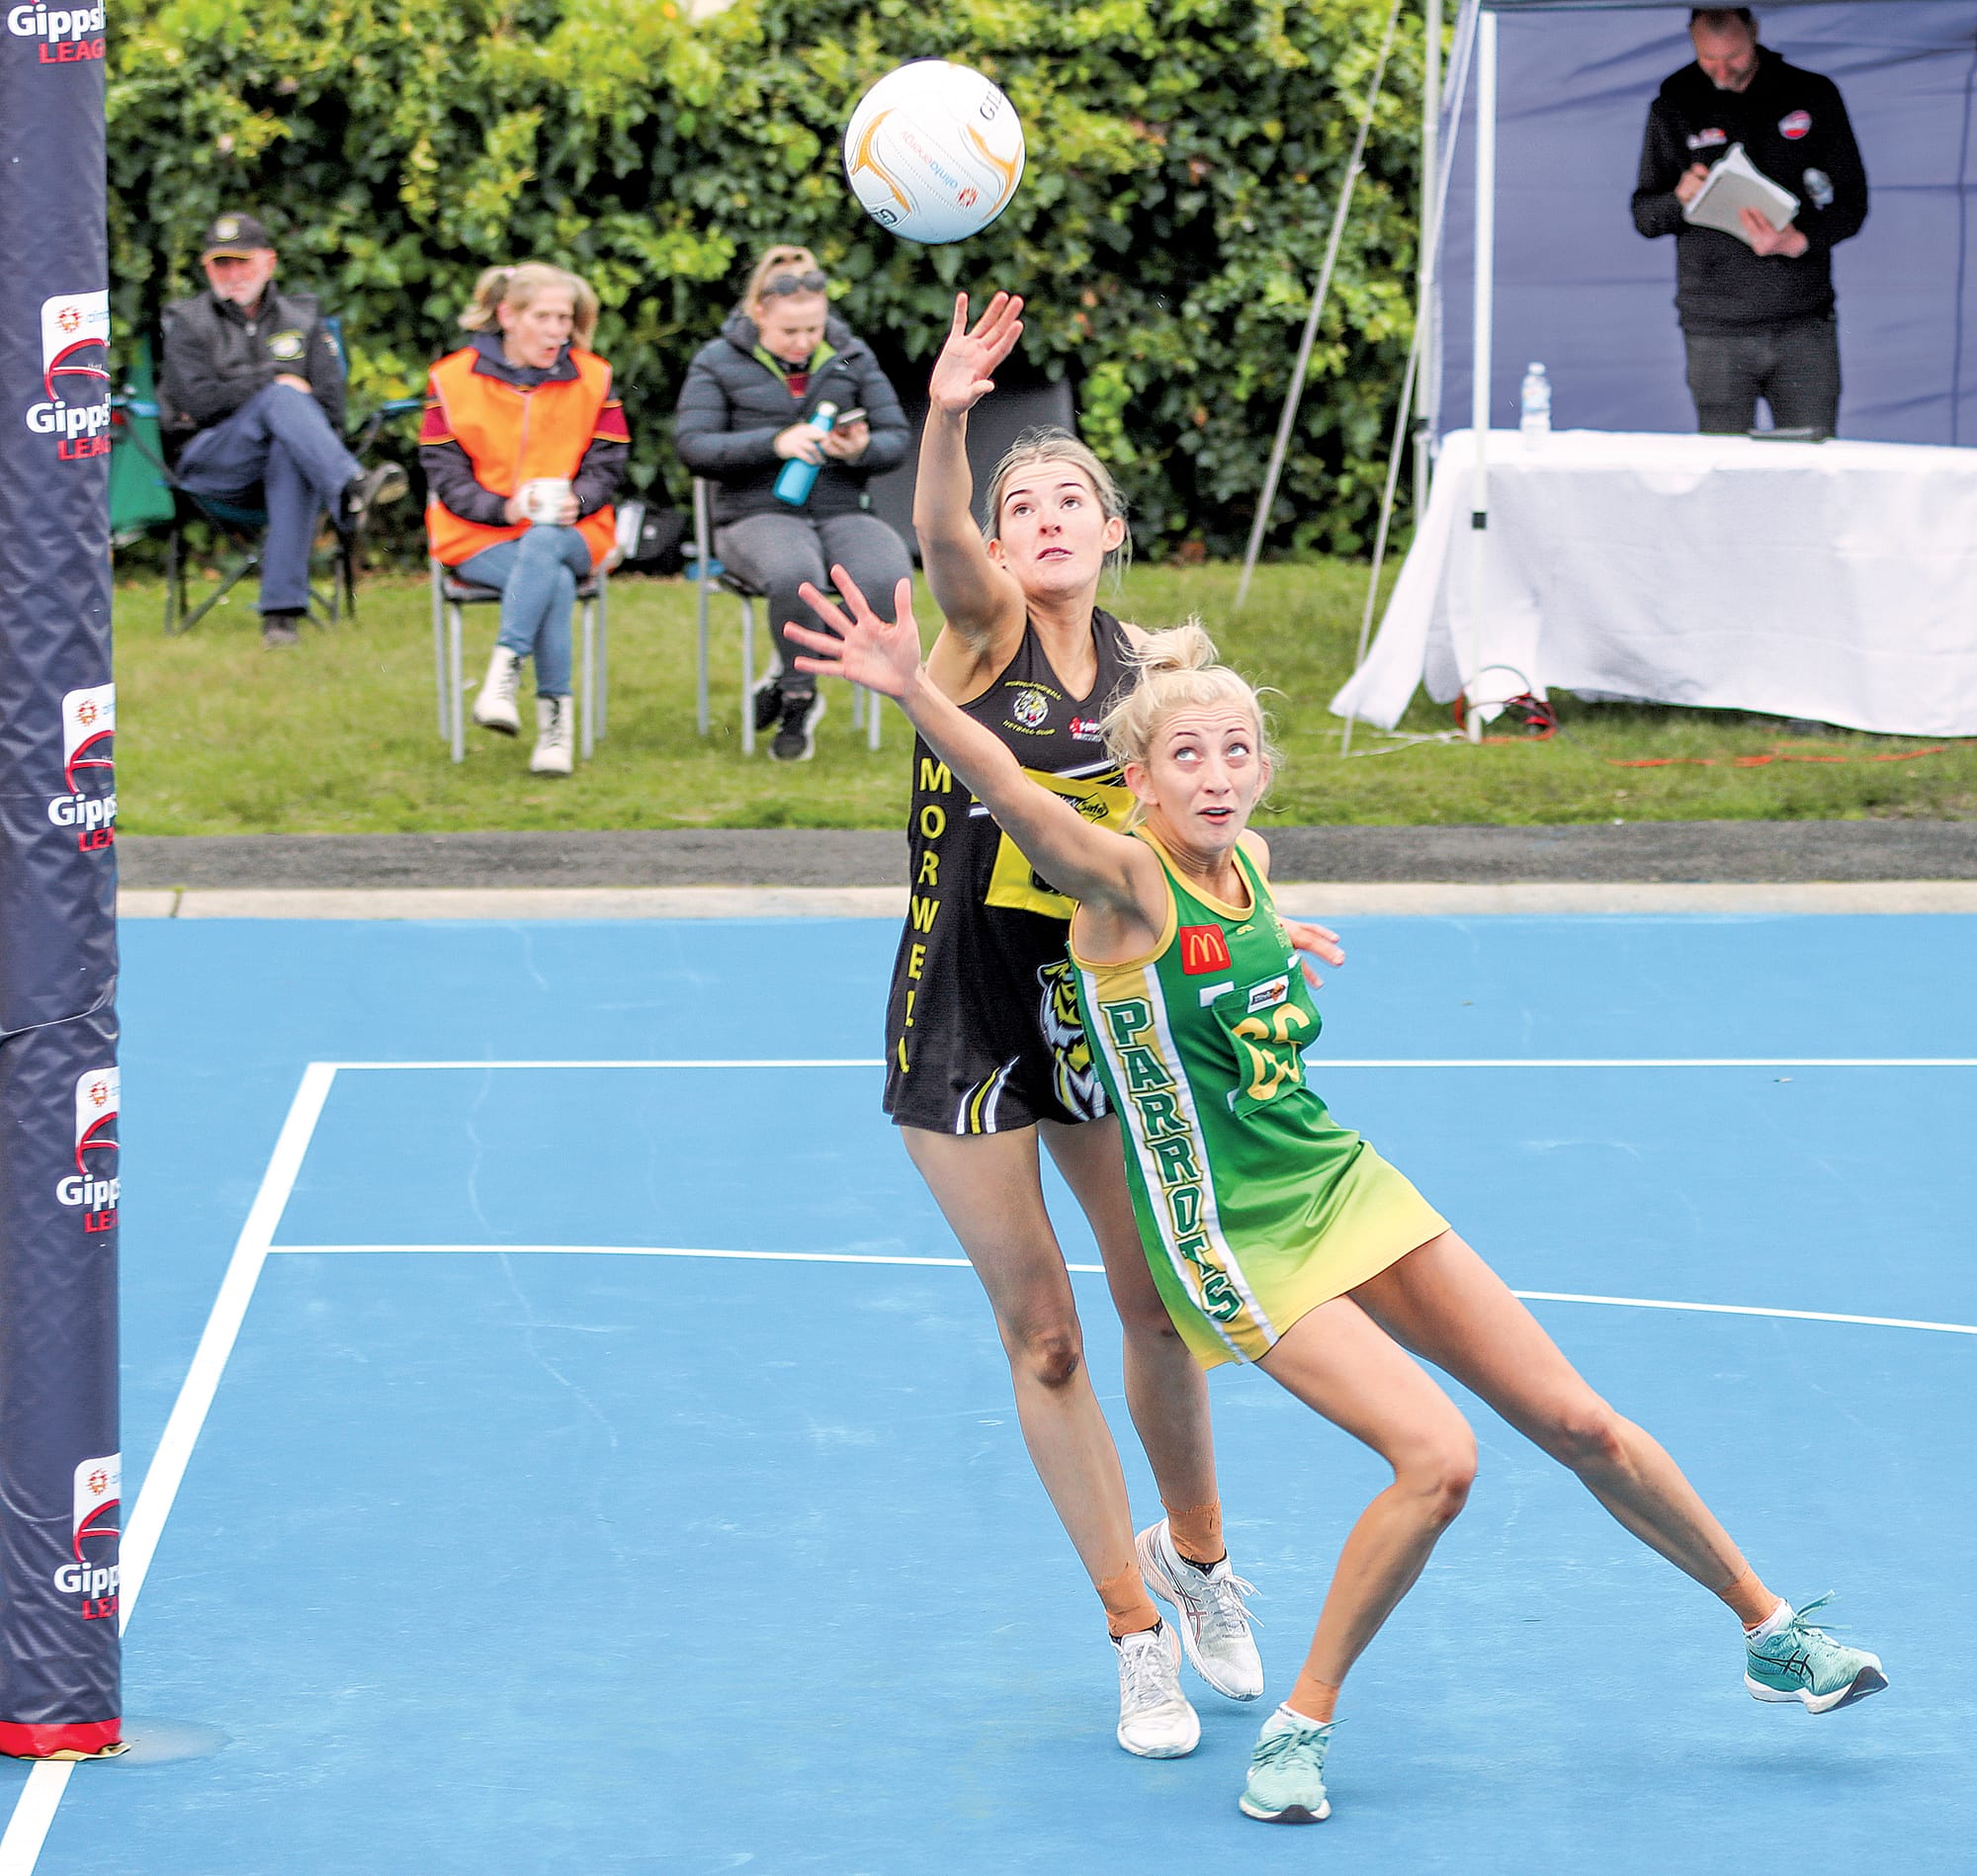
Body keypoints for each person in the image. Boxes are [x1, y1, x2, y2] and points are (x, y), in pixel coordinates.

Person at [790, 583, 1890, 1826]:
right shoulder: (1121, 881)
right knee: (1438, 1459)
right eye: (1184, 756)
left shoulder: (1250, 866)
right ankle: (1298, 1724)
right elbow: (1017, 791)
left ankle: (1766, 1628)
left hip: (1336, 1177)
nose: (1215, 775)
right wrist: (915, 689)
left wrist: (1272, 939)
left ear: (1262, 770)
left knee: (1577, 1418)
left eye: (1235, 750)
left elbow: (1227, 942)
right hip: (1229, 1232)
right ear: (1137, 782)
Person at [792, 291, 1340, 1760]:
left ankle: (1200, 1557)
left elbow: (1208, 815)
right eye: (1018, 505)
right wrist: (949, 415)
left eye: (1066, 502)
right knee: (1043, 1336)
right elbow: (938, 536)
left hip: (1102, 1011)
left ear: (1109, 531)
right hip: (961, 1017)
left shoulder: (1154, 673)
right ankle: (1129, 1630)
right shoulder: (979, 638)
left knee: (1154, 1301)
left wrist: (1258, 911)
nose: (1040, 520)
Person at [673, 244, 912, 761]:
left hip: (842, 509)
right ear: (759, 312)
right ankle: (799, 698)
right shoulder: (717, 361)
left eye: (813, 329)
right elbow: (693, 446)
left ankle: (784, 673)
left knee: (887, 579)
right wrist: (774, 443)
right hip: (753, 513)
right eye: (790, 331)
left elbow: (896, 438)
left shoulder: (852, 356)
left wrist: (860, 448)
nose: (804, 342)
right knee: (795, 576)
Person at [160, 211, 407, 647]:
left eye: (242, 262)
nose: (232, 274)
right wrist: (274, 382)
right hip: (212, 460)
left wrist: (272, 397)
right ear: (207, 269)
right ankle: (349, 487)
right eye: (221, 264)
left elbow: (331, 407)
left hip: (286, 461)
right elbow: (199, 404)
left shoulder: (304, 319)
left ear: (269, 261)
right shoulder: (187, 322)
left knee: (289, 454)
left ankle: (280, 617)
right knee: (282, 398)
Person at [421, 263, 629, 776]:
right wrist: (503, 509)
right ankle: (555, 729)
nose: (557, 331)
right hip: (477, 535)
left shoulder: (596, 377)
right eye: (544, 317)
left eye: (565, 318)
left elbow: (608, 465)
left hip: (576, 531)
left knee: (546, 543)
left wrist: (578, 500)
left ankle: (504, 676)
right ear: (507, 316)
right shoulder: (449, 379)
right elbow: (445, 476)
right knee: (551, 579)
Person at [1632, 7, 1867, 436]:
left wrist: (1800, 240)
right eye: (1709, 59)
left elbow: (1853, 203)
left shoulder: (1810, 93)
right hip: (1714, 327)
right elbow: (1645, 216)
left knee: (1810, 458)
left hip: (1803, 322)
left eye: (1734, 57)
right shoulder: (1675, 101)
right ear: (1691, 41)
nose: (1722, 71)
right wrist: (1679, 197)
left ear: (1755, 33)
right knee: (1724, 463)